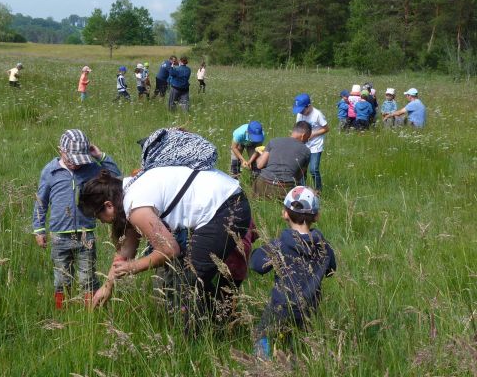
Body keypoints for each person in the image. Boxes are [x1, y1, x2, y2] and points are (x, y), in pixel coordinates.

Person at [78, 166, 251, 326]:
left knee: (185, 284)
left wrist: (133, 267)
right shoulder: (130, 190)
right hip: (226, 201)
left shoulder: (135, 205)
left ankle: (198, 338)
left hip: (226, 208)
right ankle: (223, 321)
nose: (101, 222)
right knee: (190, 277)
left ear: (108, 206)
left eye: (98, 216)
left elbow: (170, 250)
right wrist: (107, 286)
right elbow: (127, 248)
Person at [33, 129, 121, 309]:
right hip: (59, 236)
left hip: (85, 235)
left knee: (87, 279)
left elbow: (116, 177)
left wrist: (101, 156)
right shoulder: (51, 171)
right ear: (61, 151)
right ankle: (61, 313)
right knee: (61, 279)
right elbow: (40, 201)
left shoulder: (92, 169)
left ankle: (92, 312)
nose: (76, 165)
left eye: (79, 160)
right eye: (72, 159)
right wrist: (39, 229)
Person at [250, 186, 336, 358]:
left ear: (285, 214)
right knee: (298, 344)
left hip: (280, 307)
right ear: (316, 216)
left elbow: (257, 265)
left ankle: (261, 365)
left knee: (262, 335)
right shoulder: (324, 247)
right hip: (309, 309)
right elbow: (331, 271)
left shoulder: (279, 245)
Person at [253, 121, 311, 201]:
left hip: (263, 185)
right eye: (308, 138)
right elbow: (298, 177)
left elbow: (260, 165)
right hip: (285, 189)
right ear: (303, 135)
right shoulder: (307, 151)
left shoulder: (274, 141)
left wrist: (261, 155)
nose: (307, 141)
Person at [293, 93, 329, 193]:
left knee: (313, 170)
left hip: (315, 146)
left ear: (308, 106)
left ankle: (318, 191)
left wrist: (313, 134)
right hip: (303, 146)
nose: (301, 112)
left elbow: (326, 128)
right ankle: (303, 190)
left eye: (302, 110)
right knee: (301, 169)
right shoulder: (300, 114)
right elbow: (298, 127)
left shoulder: (318, 114)